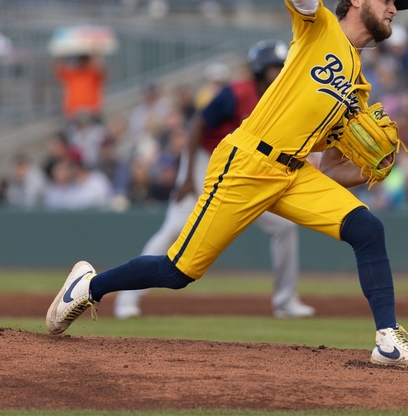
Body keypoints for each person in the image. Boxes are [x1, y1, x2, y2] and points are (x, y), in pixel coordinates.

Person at [46, 0, 408, 369]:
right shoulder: (320, 28)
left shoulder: (357, 87)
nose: (393, 10)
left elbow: (328, 167)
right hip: (248, 162)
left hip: (295, 174)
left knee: (367, 228)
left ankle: (388, 340)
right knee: (179, 271)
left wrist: (370, 169)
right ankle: (88, 288)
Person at [113, 40, 316, 320]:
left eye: (283, 66)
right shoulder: (236, 93)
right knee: (175, 228)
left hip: (246, 169)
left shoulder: (284, 98)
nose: (280, 71)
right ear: (259, 69)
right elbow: (197, 124)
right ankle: (127, 299)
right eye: (274, 67)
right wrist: (186, 176)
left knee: (284, 227)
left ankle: (285, 301)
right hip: (206, 160)